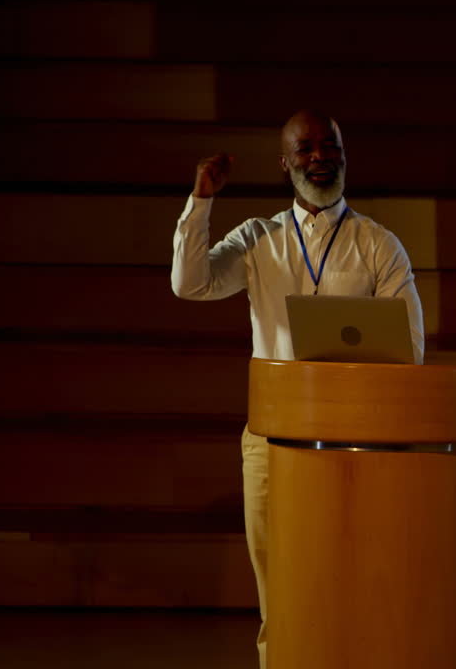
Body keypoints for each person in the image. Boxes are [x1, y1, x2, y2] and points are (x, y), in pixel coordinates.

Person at [171, 110, 425, 668]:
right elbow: (189, 284)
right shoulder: (259, 238)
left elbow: (411, 345)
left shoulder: (378, 245)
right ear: (285, 163)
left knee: (349, 579)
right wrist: (202, 201)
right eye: (305, 148)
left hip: (353, 442)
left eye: (328, 145)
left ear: (344, 154)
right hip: (272, 439)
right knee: (277, 585)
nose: (319, 157)